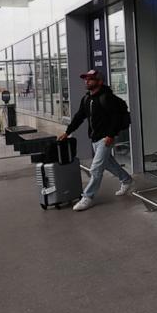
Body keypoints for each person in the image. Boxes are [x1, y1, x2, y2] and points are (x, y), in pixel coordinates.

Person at [58, 69, 134, 211]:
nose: (87, 81)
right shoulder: (87, 99)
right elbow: (79, 117)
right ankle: (127, 180)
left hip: (106, 138)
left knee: (96, 169)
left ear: (99, 81)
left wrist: (111, 135)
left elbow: (116, 118)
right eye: (86, 79)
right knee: (108, 164)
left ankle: (88, 197)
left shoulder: (107, 97)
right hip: (95, 138)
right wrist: (67, 132)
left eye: (90, 79)